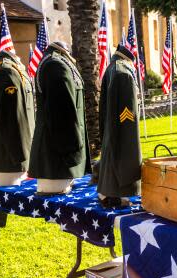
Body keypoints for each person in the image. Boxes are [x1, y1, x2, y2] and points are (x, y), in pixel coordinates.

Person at [29, 41, 91, 194]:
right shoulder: (56, 65)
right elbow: (63, 114)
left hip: (58, 155)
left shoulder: (55, 62)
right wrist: (73, 149)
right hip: (57, 158)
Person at [97, 44, 142, 205]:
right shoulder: (123, 72)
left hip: (112, 122)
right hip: (123, 123)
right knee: (121, 152)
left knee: (111, 151)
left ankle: (106, 192)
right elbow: (126, 111)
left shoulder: (113, 67)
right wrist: (129, 132)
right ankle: (117, 193)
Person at [0, 49, 34, 186]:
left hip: (15, 153)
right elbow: (10, 118)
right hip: (8, 155)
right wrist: (20, 155)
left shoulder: (13, 68)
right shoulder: (6, 71)